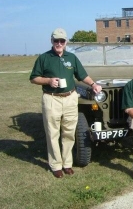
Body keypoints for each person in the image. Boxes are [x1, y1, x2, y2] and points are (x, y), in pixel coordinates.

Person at [29, 28, 102, 178]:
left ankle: (67, 164)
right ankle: (56, 165)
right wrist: (48, 80)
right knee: (52, 133)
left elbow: (82, 75)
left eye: (62, 41)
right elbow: (34, 78)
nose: (59, 43)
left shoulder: (72, 57)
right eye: (56, 40)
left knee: (69, 132)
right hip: (51, 98)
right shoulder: (44, 58)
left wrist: (93, 84)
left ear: (66, 42)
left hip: (70, 98)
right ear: (52, 41)